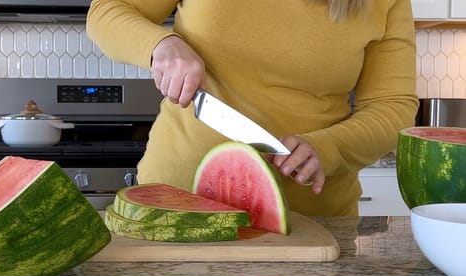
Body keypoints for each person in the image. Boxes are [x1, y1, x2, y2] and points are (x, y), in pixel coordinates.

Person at [86, 0, 419, 216]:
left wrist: (328, 147)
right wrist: (161, 43)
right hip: (180, 204)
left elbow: (392, 106)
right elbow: (108, 11)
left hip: (311, 219)